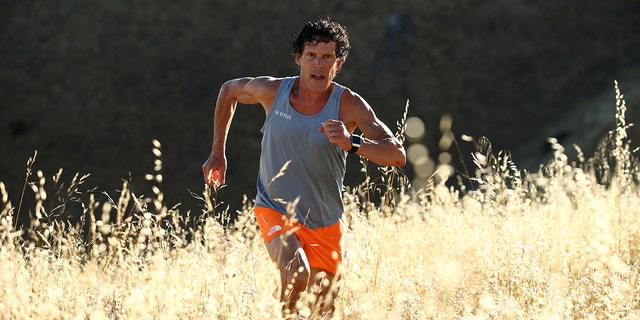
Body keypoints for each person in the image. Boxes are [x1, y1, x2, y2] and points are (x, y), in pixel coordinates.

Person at [202, 17, 406, 318]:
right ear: (299, 59)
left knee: (323, 310)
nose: (319, 65)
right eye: (311, 56)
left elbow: (397, 154)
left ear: (338, 64)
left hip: (326, 223)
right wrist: (217, 152)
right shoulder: (273, 92)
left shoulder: (348, 104)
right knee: (296, 274)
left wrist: (353, 143)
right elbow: (229, 90)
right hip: (275, 208)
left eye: (327, 58)